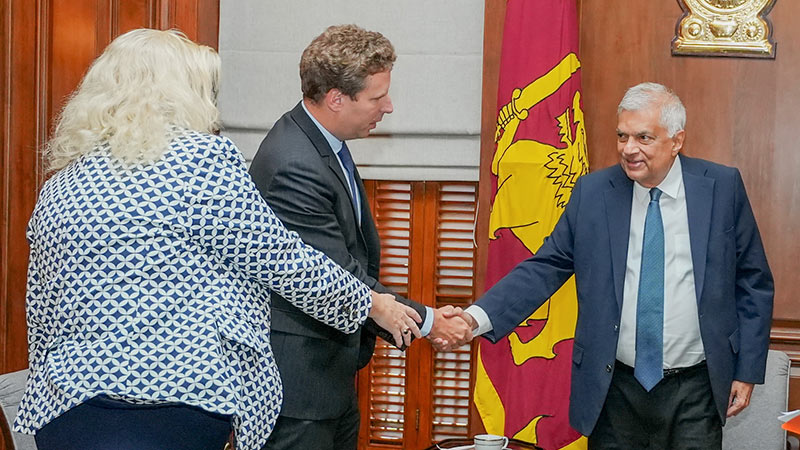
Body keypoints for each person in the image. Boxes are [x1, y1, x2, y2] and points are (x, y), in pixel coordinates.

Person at [12, 28, 422, 450]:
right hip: (172, 405)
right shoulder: (199, 158)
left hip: (69, 410)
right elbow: (279, 258)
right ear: (179, 92)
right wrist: (370, 303)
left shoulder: (63, 184)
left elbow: (41, 307)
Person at [456, 82, 774, 449]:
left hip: (696, 387)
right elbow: (545, 266)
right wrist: (475, 318)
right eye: (622, 136)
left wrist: (747, 370)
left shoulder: (721, 187)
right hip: (615, 388)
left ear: (676, 140)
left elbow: (754, 281)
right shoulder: (593, 193)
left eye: (643, 137)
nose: (628, 149)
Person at [249, 24, 472, 450]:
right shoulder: (294, 163)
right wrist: (427, 321)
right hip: (300, 389)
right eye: (376, 97)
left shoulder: (322, 140)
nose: (388, 106)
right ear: (336, 98)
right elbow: (337, 274)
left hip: (329, 375)